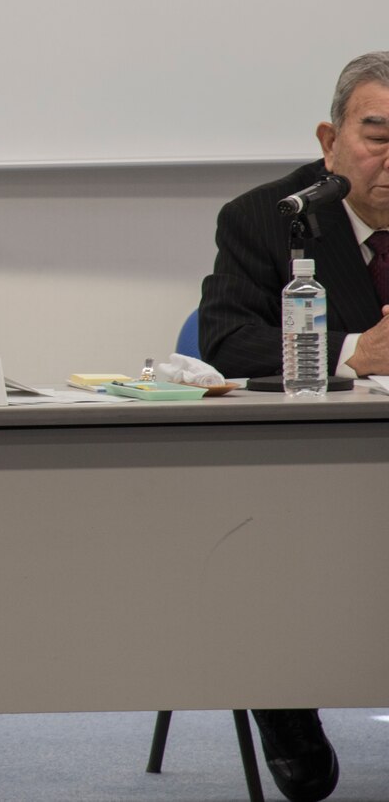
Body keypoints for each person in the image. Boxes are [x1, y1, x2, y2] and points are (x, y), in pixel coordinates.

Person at [195, 50, 389, 802]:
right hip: (306, 474)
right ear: (329, 139)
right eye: (377, 134)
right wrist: (351, 353)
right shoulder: (266, 218)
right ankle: (281, 691)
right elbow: (225, 343)